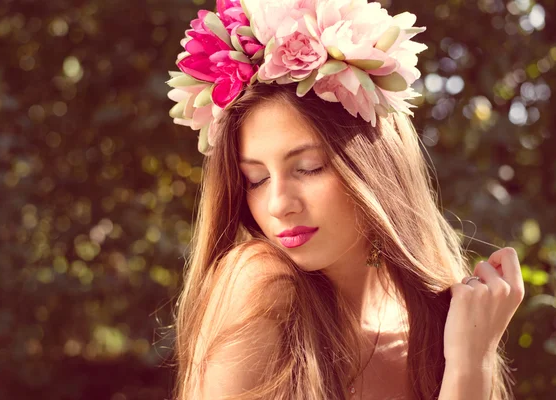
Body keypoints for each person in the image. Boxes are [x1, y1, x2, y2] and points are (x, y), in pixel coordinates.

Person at [165, 1, 525, 399]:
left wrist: (471, 360)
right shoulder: (260, 285)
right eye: (257, 179)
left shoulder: (446, 325)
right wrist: (471, 367)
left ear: (373, 167)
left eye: (309, 168)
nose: (278, 204)